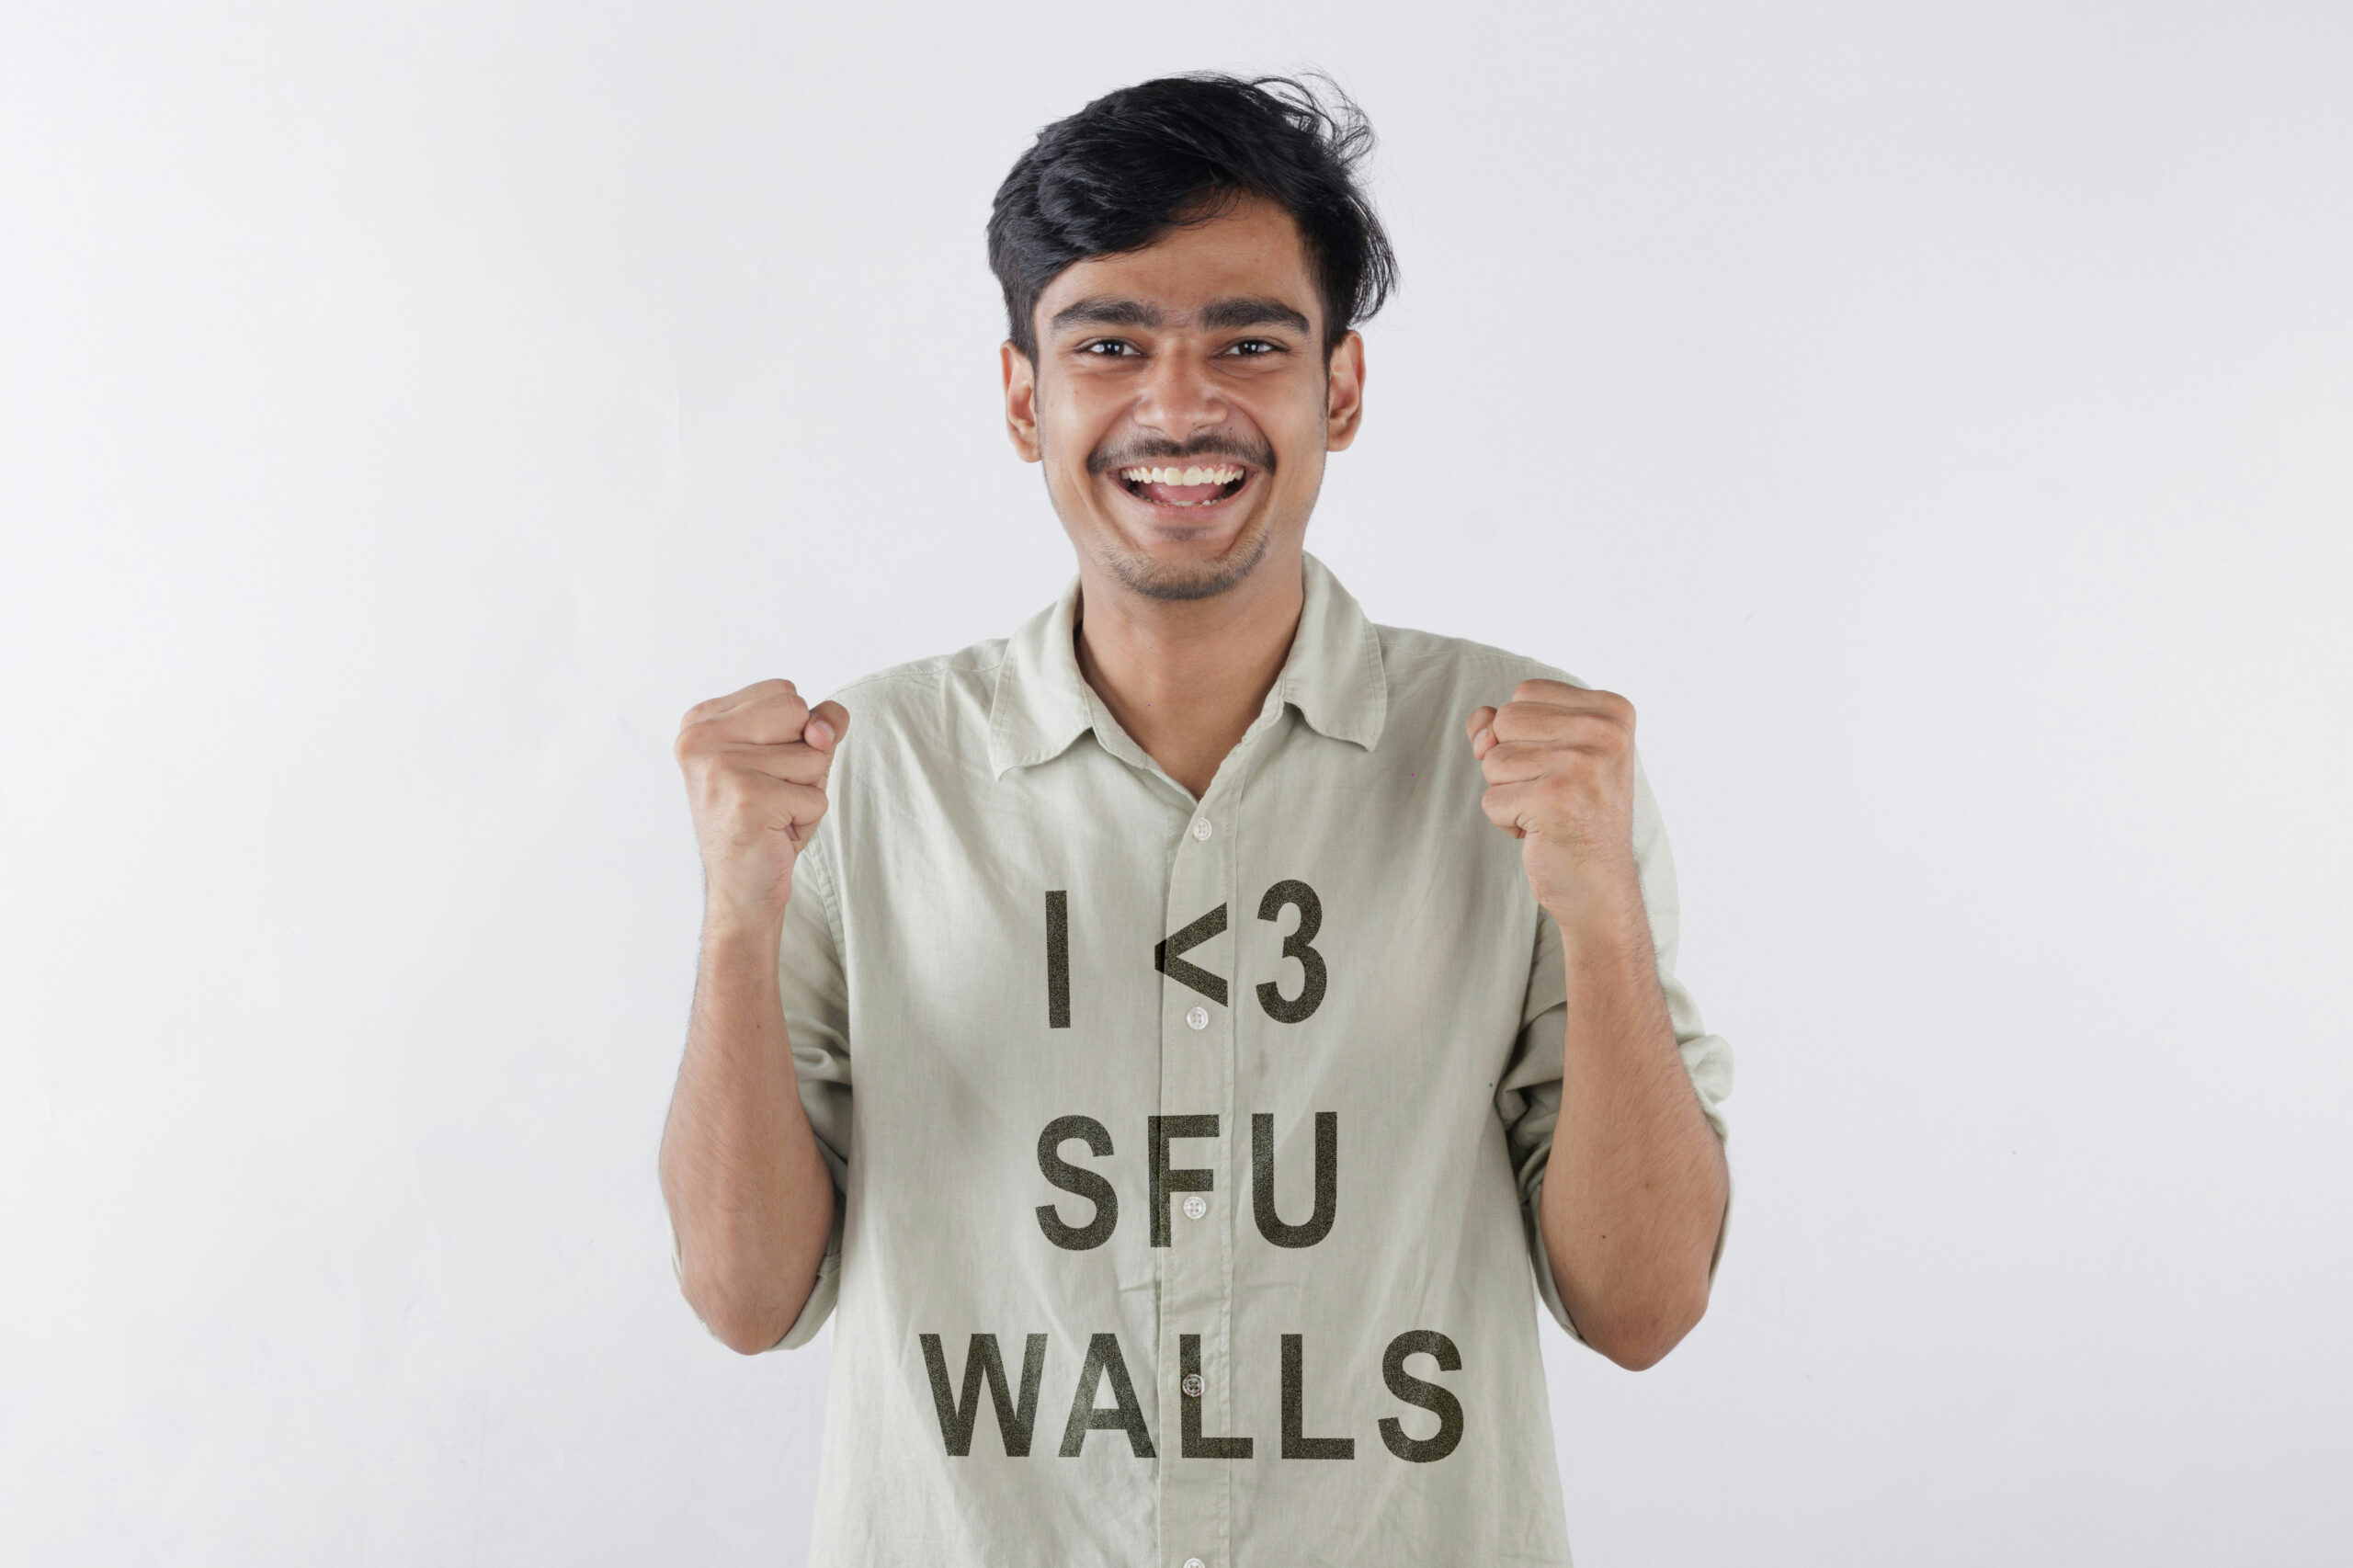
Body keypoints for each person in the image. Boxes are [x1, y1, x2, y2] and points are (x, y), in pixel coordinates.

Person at [657, 72, 1733, 1566]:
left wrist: (1601, 916)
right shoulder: (867, 770)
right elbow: (744, 1293)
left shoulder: (1529, 762)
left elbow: (1647, 1305)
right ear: (1027, 394)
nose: (1179, 405)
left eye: (1248, 340)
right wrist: (732, 919)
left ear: (1337, 389)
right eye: (1110, 343)